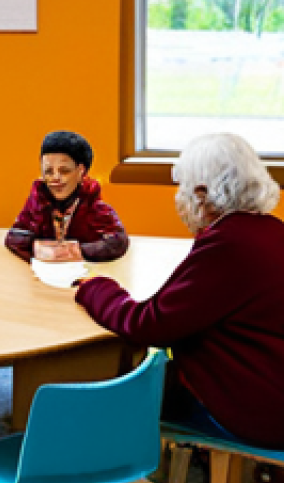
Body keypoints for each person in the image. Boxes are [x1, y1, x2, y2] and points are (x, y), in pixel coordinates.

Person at [76, 133, 284, 449]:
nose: (179, 200)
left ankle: (91, 466)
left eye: (182, 190)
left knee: (113, 392)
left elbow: (146, 326)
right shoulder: (271, 230)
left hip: (256, 409)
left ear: (201, 196)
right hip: (270, 381)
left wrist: (96, 288)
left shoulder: (227, 245)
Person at [5, 130, 128, 262]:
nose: (55, 178)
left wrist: (77, 250)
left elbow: (118, 241)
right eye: (48, 171)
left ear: (81, 171)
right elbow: (14, 236)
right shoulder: (38, 201)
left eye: (64, 171)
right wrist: (37, 247)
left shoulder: (93, 203)